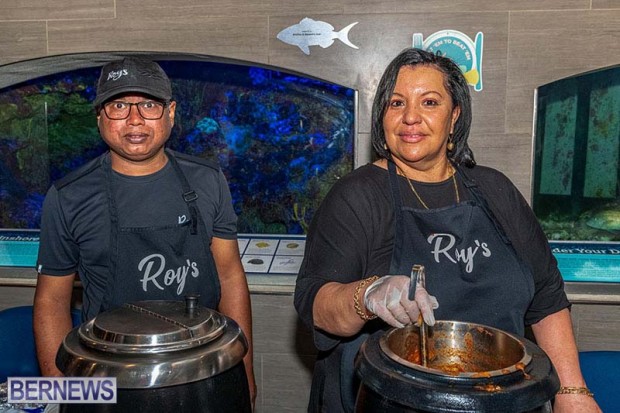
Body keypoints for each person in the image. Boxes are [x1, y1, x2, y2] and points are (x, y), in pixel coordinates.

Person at [294, 48, 601, 413]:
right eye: (396, 103)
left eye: (429, 102)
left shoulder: (495, 189)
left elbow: (547, 296)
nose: (410, 117)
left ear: (454, 115)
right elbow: (316, 304)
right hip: (390, 402)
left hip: (502, 400)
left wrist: (571, 392)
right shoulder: (356, 196)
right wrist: (367, 295)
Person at [33, 57, 256, 405]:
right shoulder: (68, 196)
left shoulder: (208, 180)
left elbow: (229, 276)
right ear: (99, 116)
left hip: (205, 371)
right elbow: (52, 300)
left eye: (149, 105)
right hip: (108, 380)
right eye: (119, 105)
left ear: (171, 113)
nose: (134, 119)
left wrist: (244, 370)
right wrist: (61, 394)